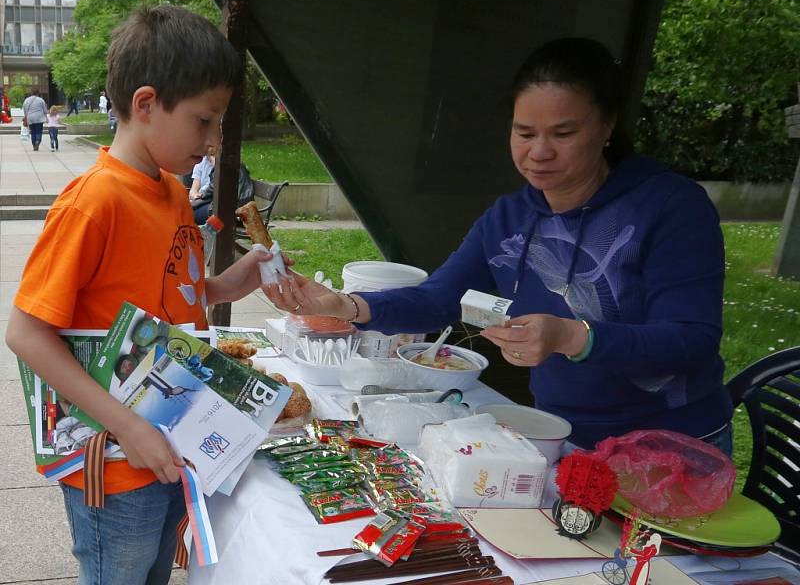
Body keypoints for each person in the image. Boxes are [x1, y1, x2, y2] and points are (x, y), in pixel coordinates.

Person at [264, 37, 734, 455]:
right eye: (524, 133)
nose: (539, 152)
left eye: (563, 133)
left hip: (670, 447)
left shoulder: (670, 206)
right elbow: (442, 300)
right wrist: (345, 305)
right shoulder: (511, 218)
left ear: (607, 124)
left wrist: (572, 336)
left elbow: (691, 338)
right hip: (561, 435)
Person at [5, 5, 285, 585]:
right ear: (145, 104)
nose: (212, 143)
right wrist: (130, 428)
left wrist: (234, 281)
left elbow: (173, 295)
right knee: (120, 573)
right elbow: (27, 333)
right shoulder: (95, 203)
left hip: (175, 443)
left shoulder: (175, 194)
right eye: (204, 122)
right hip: (114, 460)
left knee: (157, 572)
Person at [188, 144, 216, 224]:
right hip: (203, 201)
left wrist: (215, 163)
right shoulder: (201, 163)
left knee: (190, 215)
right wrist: (195, 195)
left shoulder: (222, 164)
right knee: (185, 213)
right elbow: (193, 190)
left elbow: (217, 188)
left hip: (215, 203)